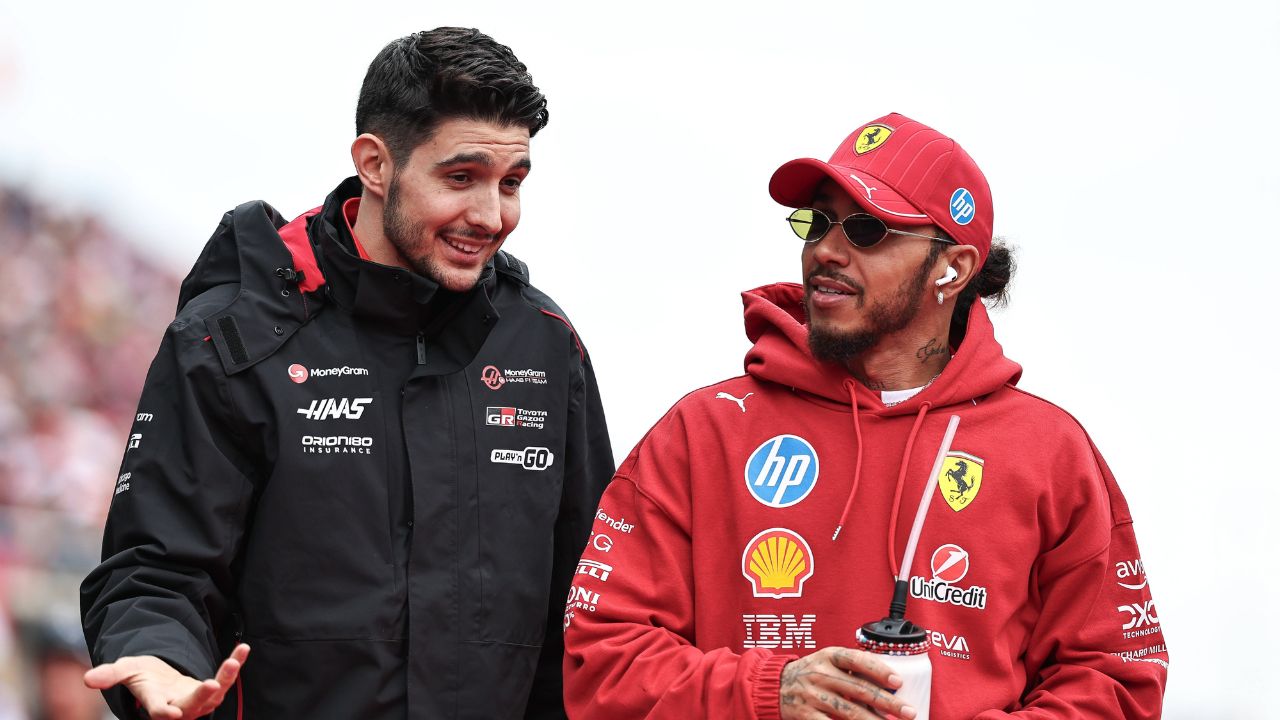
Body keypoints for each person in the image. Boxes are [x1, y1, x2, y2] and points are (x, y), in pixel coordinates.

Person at [80, 28, 613, 720]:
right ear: (375, 164)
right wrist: (158, 655)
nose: (491, 216)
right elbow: (156, 568)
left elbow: (595, 606)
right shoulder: (230, 339)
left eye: (511, 183)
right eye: (461, 177)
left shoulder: (546, 346)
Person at [561, 113, 1167, 719]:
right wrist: (768, 695)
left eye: (867, 230)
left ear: (952, 269)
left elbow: (1114, 681)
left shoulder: (1049, 451)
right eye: (817, 222)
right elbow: (601, 660)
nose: (825, 249)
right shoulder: (704, 430)